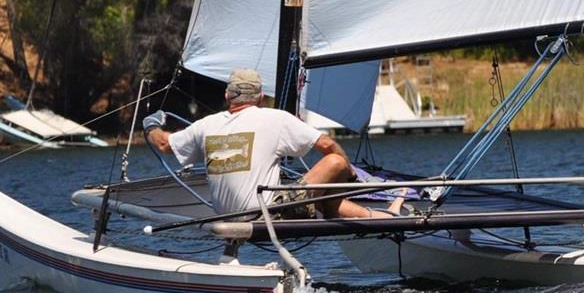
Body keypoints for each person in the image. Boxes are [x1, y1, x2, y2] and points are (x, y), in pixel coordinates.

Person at [142, 68, 403, 219]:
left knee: (317, 191)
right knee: (334, 162)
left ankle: (374, 216)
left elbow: (164, 144)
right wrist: (351, 177)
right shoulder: (273, 117)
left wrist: (150, 125)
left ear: (227, 95)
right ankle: (375, 216)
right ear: (262, 97)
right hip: (268, 214)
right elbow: (326, 144)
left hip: (227, 216)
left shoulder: (206, 125)